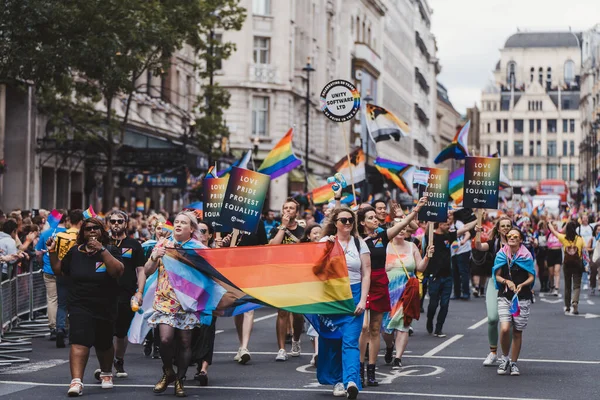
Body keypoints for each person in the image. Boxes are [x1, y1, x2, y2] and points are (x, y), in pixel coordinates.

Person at [47, 217, 124, 396]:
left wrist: (102, 251)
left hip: (105, 304)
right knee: (79, 340)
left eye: (95, 228)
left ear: (101, 232)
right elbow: (60, 270)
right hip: (80, 304)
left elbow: (117, 271)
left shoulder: (111, 250)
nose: (91, 231)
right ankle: (76, 381)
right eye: (88, 228)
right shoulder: (75, 252)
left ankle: (106, 373)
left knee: (104, 342)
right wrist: (52, 252)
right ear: (82, 233)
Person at [356, 197, 426, 386]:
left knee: (375, 329)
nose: (375, 220)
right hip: (360, 282)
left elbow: (403, 224)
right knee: (363, 328)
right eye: (370, 218)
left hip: (379, 282)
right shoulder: (357, 239)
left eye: (375, 217)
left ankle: (371, 371)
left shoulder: (383, 236)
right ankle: (359, 368)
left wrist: (416, 209)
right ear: (362, 222)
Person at [145, 211, 207, 397]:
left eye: (183, 223)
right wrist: (155, 255)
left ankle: (180, 379)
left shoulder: (197, 248)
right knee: (164, 339)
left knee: (185, 342)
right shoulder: (163, 243)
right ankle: (168, 372)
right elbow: (148, 270)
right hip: (164, 299)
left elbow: (208, 276)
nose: (178, 225)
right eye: (177, 222)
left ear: (191, 229)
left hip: (187, 302)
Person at [315, 207, 370, 399]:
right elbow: (315, 270)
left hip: (353, 296)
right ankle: (337, 381)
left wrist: (363, 299)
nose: (347, 223)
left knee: (350, 342)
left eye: (350, 220)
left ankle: (351, 381)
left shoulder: (359, 243)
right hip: (331, 297)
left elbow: (366, 273)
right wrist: (327, 249)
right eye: (343, 220)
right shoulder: (325, 242)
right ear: (335, 223)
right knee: (331, 341)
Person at [382, 218, 433, 369]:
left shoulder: (412, 246)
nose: (402, 230)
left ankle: (398, 357)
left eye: (405, 228)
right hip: (387, 291)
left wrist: (427, 257)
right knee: (386, 328)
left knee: (404, 324)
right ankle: (389, 346)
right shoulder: (384, 246)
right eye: (399, 227)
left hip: (407, 291)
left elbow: (420, 268)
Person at [100, 210, 146, 379]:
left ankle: (119, 360)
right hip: (104, 294)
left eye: (120, 221)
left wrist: (140, 292)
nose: (116, 224)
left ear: (126, 224)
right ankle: (105, 365)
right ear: (108, 224)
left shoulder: (134, 245)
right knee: (105, 330)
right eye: (113, 221)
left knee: (121, 332)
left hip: (126, 294)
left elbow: (140, 270)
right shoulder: (102, 243)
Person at [492, 228, 535, 376]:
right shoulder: (501, 254)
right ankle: (504, 358)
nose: (511, 238)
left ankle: (514, 362)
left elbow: (531, 276)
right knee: (505, 328)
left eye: (515, 236)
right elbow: (496, 275)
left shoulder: (526, 255)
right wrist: (506, 281)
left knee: (517, 331)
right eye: (509, 236)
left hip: (521, 297)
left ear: (520, 240)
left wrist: (523, 285)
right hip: (504, 295)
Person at [425, 217, 477, 337]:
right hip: (434, 276)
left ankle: (438, 329)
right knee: (433, 304)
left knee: (445, 304)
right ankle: (429, 319)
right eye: (445, 224)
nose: (448, 226)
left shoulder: (449, 235)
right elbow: (427, 229)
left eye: (449, 224)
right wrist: (430, 218)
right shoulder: (431, 237)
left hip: (447, 276)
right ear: (439, 225)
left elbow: (465, 228)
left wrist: (477, 219)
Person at [268, 198, 305, 361]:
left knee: (297, 315)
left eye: (291, 208)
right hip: (281, 275)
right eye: (286, 208)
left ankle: (296, 340)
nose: (288, 210)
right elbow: (273, 246)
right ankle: (281, 348)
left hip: (299, 276)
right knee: (282, 312)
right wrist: (283, 226)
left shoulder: (303, 231)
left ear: (297, 213)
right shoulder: (276, 230)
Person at [474, 215, 512, 366]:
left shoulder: (517, 242)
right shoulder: (494, 243)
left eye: (508, 226)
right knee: (492, 319)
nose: (505, 229)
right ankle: (493, 352)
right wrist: (477, 233)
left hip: (511, 283)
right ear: (498, 228)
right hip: (494, 281)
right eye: (502, 226)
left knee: (508, 322)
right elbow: (479, 246)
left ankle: (506, 355)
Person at [191, 220, 217, 386]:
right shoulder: (188, 252)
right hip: (190, 300)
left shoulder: (215, 253)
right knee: (192, 334)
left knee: (208, 332)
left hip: (209, 300)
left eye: (203, 231)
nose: (200, 233)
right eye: (197, 230)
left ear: (209, 235)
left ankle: (203, 370)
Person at [54, 209, 84, 348]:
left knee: (62, 303)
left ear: (69, 221)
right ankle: (74, 332)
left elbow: (53, 252)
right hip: (77, 273)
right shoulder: (81, 237)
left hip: (61, 271)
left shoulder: (60, 235)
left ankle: (60, 328)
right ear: (80, 222)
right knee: (76, 304)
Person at [35, 210, 67, 339]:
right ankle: (63, 325)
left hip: (48, 270)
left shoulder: (45, 233)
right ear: (66, 220)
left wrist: (42, 264)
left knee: (52, 299)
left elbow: (38, 253)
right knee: (64, 300)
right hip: (64, 271)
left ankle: (53, 327)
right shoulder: (68, 234)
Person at [547, 219, 585, 314]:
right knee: (577, 285)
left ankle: (567, 306)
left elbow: (554, 232)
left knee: (567, 285)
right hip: (577, 264)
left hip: (567, 264)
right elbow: (584, 252)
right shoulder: (580, 239)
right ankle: (575, 301)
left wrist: (549, 224)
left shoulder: (563, 238)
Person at [449, 212, 472, 300]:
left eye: (450, 216)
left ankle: (466, 293)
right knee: (455, 273)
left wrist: (464, 241)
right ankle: (456, 293)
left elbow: (468, 233)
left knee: (463, 271)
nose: (448, 218)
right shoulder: (445, 225)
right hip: (453, 252)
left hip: (463, 250)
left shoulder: (458, 223)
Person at [546, 215, 563, 296]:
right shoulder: (548, 234)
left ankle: (556, 288)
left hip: (558, 252)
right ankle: (552, 286)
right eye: (554, 225)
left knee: (557, 271)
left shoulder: (560, 233)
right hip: (550, 253)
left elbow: (566, 227)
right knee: (551, 273)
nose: (555, 226)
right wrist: (548, 221)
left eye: (556, 225)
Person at [588, 224, 600, 295]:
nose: (599, 231)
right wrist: (592, 249)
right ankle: (593, 286)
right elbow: (587, 248)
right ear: (595, 230)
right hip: (594, 255)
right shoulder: (592, 239)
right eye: (598, 229)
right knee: (594, 271)